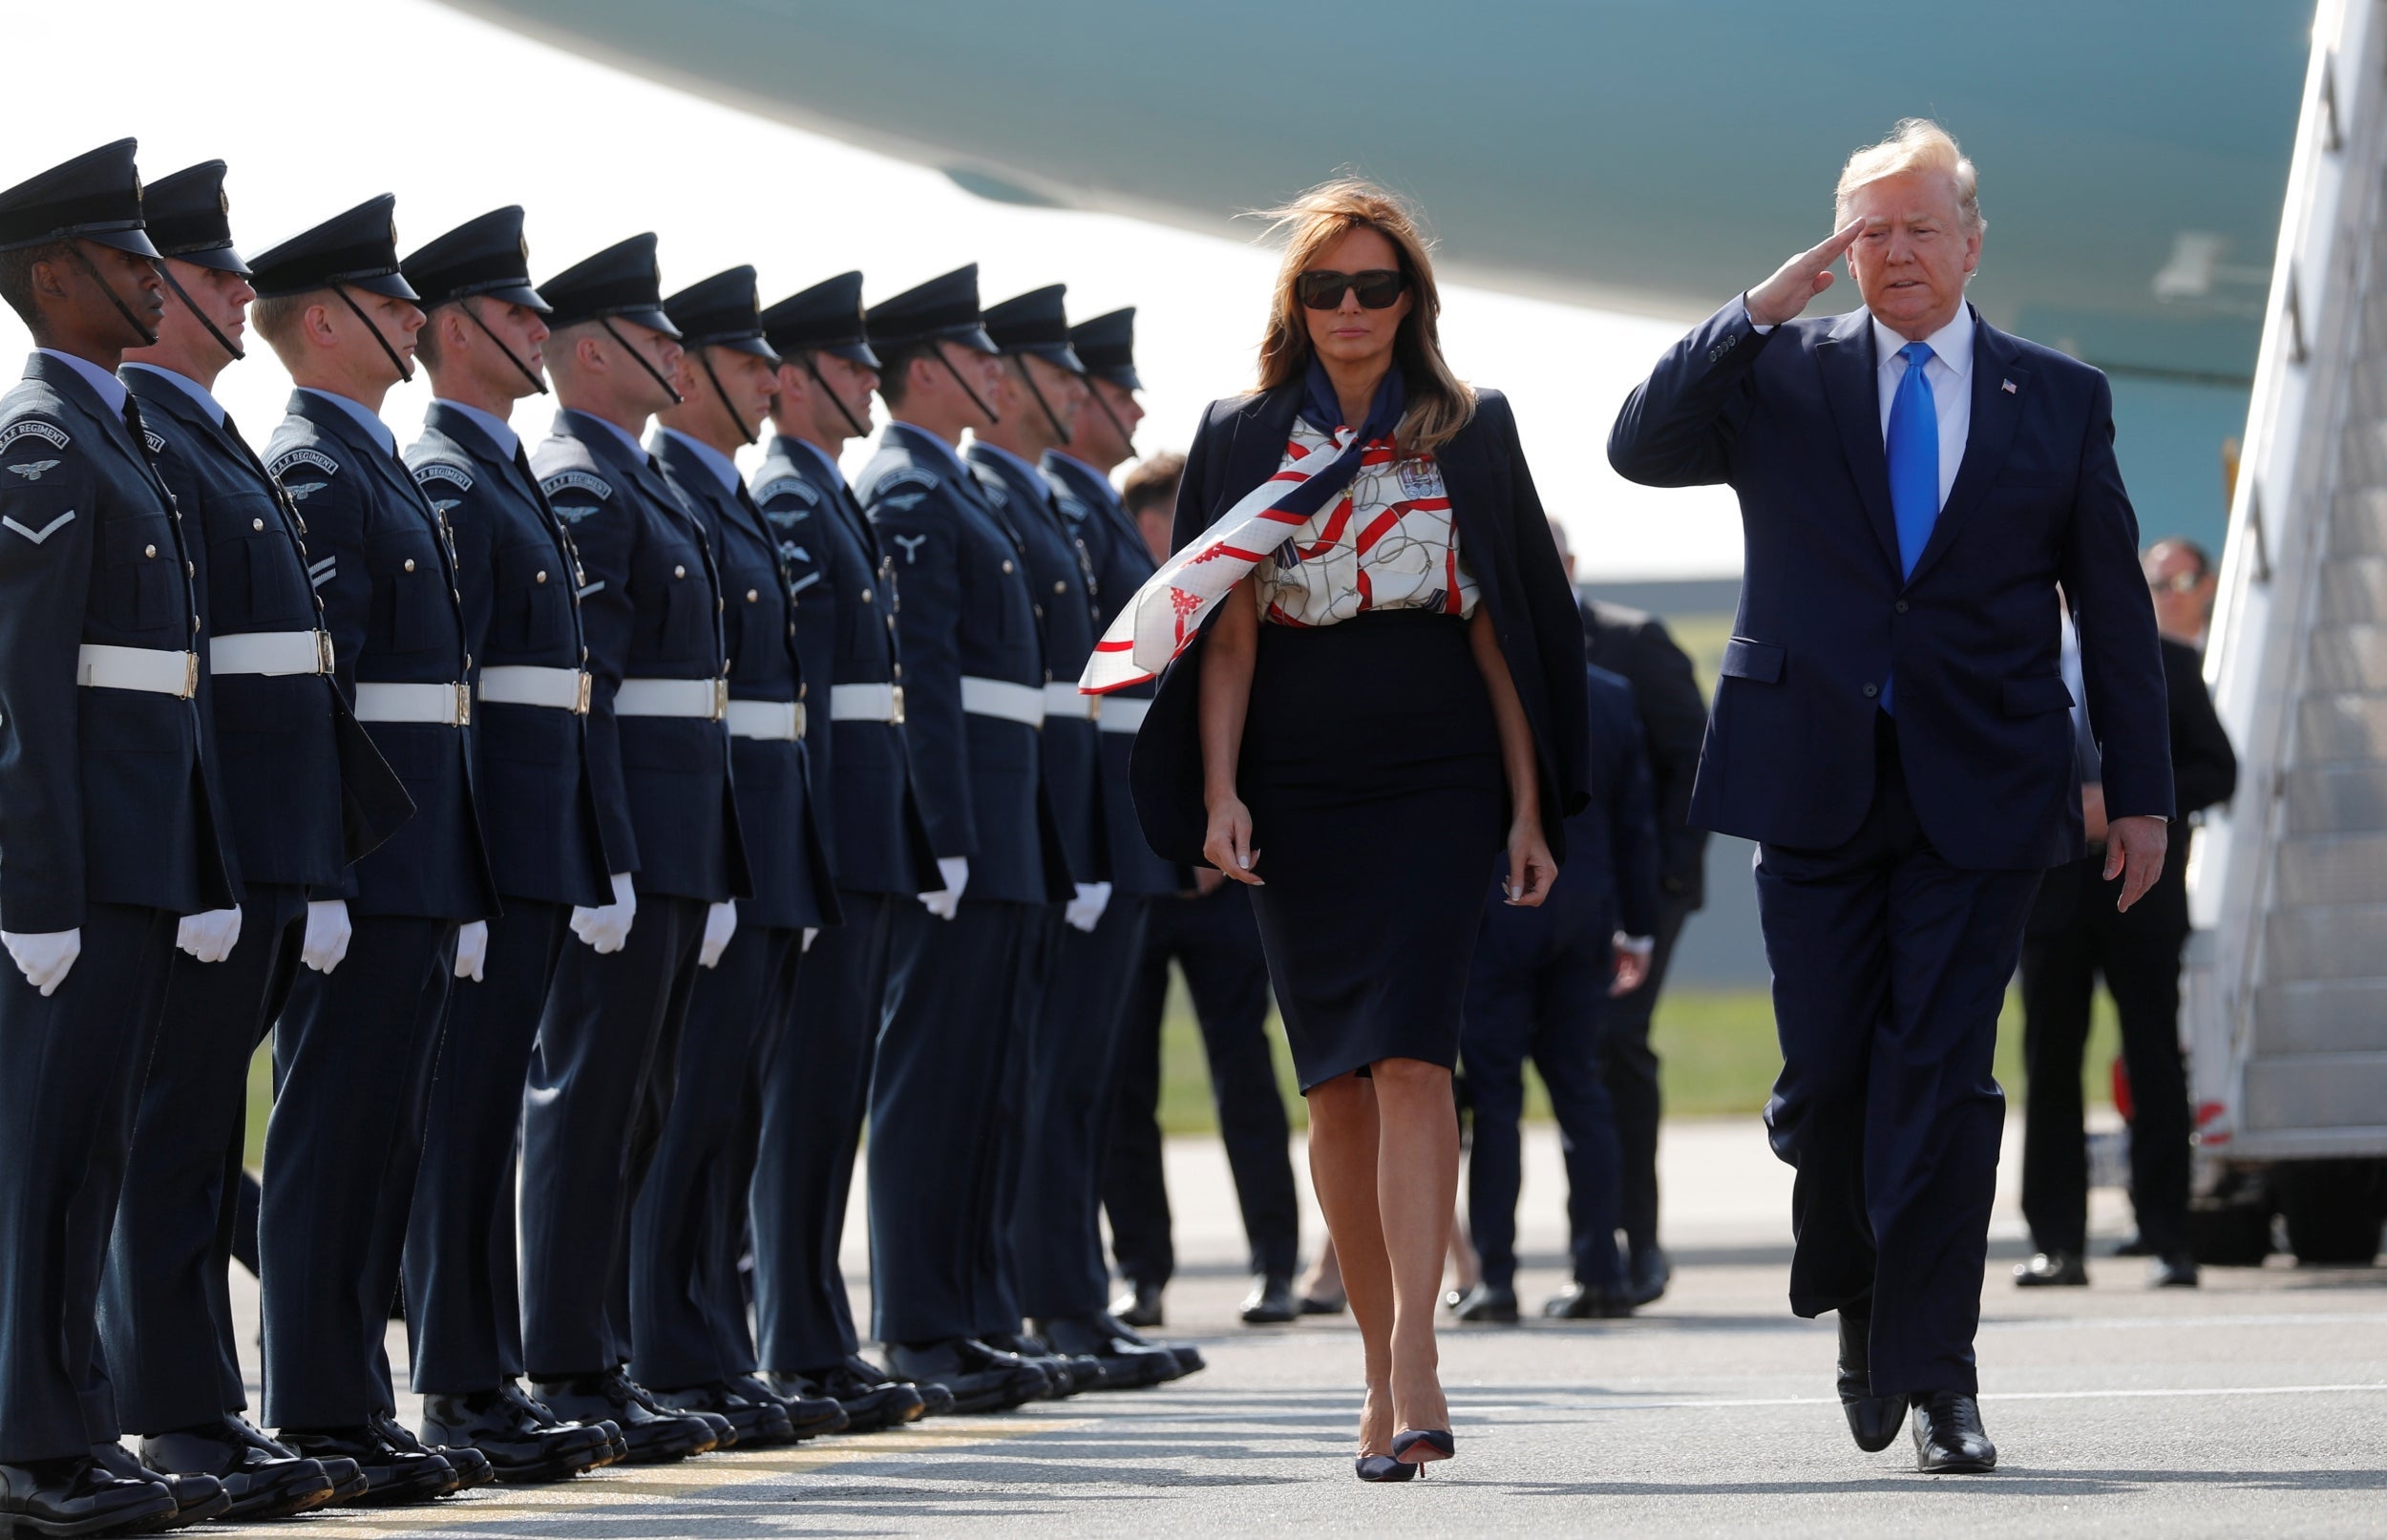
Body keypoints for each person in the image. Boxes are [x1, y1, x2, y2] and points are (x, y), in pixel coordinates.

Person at [1608, 118, 2173, 1473]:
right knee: (1830, 1083)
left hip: (1987, 789)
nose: (1898, 251)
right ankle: (1857, 1290)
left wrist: (2140, 793)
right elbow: (1639, 442)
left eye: (1923, 227)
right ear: (1839, 245)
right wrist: (1756, 310)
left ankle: (1941, 1375)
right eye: (1872, 230)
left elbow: (2113, 606)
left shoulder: (2061, 397)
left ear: (1973, 243)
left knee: (1942, 1077)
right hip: (1811, 780)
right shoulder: (1781, 377)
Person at [1095, 179, 1590, 1481]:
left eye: (1378, 287)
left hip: (1439, 767)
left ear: (1414, 303)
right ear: (1297, 304)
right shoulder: (1242, 433)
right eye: (1329, 288)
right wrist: (1218, 796)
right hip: (1296, 772)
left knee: (1418, 1059)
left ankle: (1418, 1365)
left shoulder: (1470, 432)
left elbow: (1509, 627)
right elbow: (1224, 630)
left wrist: (1530, 804)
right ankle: (1372, 1370)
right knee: (1335, 1085)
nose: (1354, 309)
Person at [106, 158, 404, 1523]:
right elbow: (190, 689)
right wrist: (216, 858)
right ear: (154, 289)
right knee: (167, 1147)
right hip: (205, 858)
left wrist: (321, 858)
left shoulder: (210, 436)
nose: (242, 292)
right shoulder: (158, 440)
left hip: (275, 852)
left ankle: (213, 1404)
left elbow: (296, 683)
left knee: (194, 1138)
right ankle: (170, 1412)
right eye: (217, 273)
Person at [251, 194, 506, 1503]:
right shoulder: (315, 466)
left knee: (381, 1144)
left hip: (417, 859)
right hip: (367, 859)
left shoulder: (373, 461)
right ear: (328, 321)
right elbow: (318, 696)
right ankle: (308, 1402)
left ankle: (352, 1397)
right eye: (393, 302)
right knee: (327, 1139)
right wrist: (325, 870)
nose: (417, 320)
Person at [0, 138, 238, 1540]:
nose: (159, 280)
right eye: (129, 257)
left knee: (89, 1158)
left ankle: (78, 1425)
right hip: (77, 872)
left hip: (142, 861)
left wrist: (191, 864)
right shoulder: (41, 440)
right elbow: (21, 689)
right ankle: (30, 1450)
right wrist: (34, 885)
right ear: (53, 277)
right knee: (42, 1159)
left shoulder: (118, 434)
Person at [395, 206, 623, 1483]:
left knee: (483, 1129)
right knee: (465, 1122)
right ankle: (455, 1380)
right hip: (489, 849)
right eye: (517, 311)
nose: (541, 328)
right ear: (455, 330)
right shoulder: (446, 471)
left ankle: (483, 1377)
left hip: (537, 843)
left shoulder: (498, 469)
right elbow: (455, 696)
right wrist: (465, 867)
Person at [519, 234, 743, 1465]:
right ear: (597, 352)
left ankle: (596, 1351)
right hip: (630, 847)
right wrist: (604, 850)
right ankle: (564, 1356)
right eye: (657, 339)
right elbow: (589, 688)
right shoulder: (587, 484)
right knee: (587, 1101)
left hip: (671, 842)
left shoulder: (633, 479)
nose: (679, 356)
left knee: (637, 1105)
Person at [858, 265, 1067, 1414]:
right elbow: (920, 674)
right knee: (928, 1078)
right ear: (927, 371)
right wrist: (941, 828)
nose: (998, 373)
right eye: (977, 357)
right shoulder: (907, 483)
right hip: (965, 822)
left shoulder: (962, 483)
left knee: (985, 1079)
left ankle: (973, 1308)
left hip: (1006, 814)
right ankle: (917, 1320)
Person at [638, 265, 841, 1444]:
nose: (774, 381)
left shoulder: (725, 496)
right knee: (681, 1106)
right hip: (709, 833)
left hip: (759, 827)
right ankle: (667, 1344)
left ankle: (707, 1338)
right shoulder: (673, 486)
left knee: (723, 1111)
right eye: (749, 359)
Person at [970, 287, 1182, 1389]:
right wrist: (1079, 847)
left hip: (1109, 830)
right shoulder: (1050, 501)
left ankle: (1070, 1294)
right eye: (1110, 384)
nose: (1131, 401)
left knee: (1078, 1085)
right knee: (1046, 1084)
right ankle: (1046, 1295)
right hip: (1076, 833)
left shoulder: (1079, 504)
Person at [747, 273, 945, 1430]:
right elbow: (805, 694)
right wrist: (807, 843)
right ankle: (794, 1332)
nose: (872, 379)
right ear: (796, 378)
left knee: (830, 1099)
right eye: (851, 364)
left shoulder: (824, 492)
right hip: (826, 831)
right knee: (800, 1094)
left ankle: (815, 1331)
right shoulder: (787, 492)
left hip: (865, 830)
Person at [1092, 445, 1303, 1331]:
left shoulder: (1229, 598)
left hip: (1221, 878)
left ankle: (1275, 1265)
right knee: (1123, 1081)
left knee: (1244, 1075)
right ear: (1152, 525)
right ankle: (1141, 1270)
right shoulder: (1115, 608)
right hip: (1136, 878)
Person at [2015, 591, 2235, 1289]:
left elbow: (2217, 768)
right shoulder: (2013, 664)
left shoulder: (2165, 660)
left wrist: (2130, 800)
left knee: (2154, 1062)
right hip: (2050, 892)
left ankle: (2170, 1234)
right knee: (2049, 1064)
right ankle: (2058, 1242)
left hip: (2143, 894)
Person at [1456, 664, 1660, 1324]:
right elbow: (1636, 820)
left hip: (1494, 915)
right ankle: (1601, 1270)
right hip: (1583, 917)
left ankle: (1495, 1278)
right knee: (1582, 1093)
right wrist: (1641, 925)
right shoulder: (1608, 689)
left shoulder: (1472, 681)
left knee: (1494, 1101)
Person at [1557, 521, 1711, 1307]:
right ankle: (1577, 1254)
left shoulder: (1633, 639)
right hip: (1543, 900)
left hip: (1640, 895)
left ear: (1571, 563)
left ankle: (1638, 1245)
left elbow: (1696, 759)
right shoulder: (1488, 640)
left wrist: (1669, 881)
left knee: (1615, 1050)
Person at [2143, 537, 2216, 651]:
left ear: (2208, 584)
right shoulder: (2127, 656)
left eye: (2185, 581)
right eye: (2160, 585)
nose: (2172, 595)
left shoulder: (2240, 645)